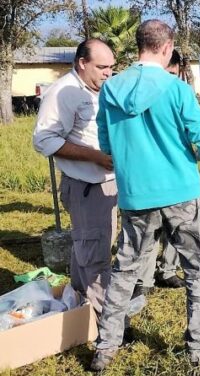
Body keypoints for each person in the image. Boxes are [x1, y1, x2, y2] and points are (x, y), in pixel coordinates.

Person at [91, 20, 200, 371]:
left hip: (135, 195)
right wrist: (191, 156)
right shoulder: (176, 89)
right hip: (182, 192)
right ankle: (198, 347)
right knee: (197, 269)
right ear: (167, 47)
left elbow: (105, 144)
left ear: (139, 46)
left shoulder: (111, 88)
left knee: (125, 270)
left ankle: (106, 347)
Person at [32, 39, 116, 316]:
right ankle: (107, 322)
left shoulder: (96, 90)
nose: (108, 73)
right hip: (85, 187)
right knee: (95, 254)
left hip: (104, 183)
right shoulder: (63, 92)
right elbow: (44, 140)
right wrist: (94, 156)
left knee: (88, 245)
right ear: (82, 63)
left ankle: (79, 306)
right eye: (102, 67)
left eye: (111, 67)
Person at [137, 48, 187, 293]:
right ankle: (143, 279)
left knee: (176, 230)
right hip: (148, 174)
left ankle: (167, 270)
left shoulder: (178, 93)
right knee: (149, 231)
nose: (169, 78)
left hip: (176, 175)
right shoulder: (140, 94)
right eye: (167, 73)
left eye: (173, 74)